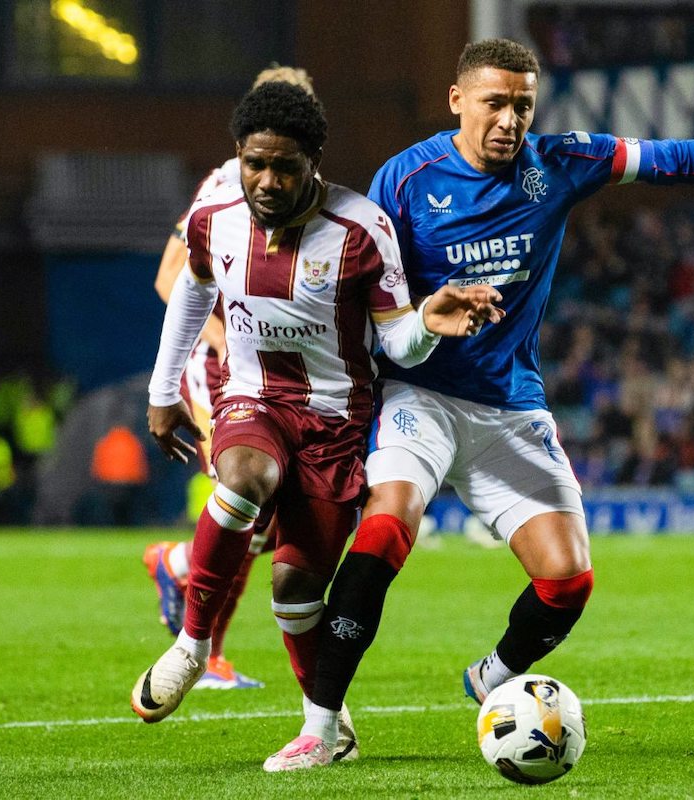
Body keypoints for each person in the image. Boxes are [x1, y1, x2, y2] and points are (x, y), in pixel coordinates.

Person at [263, 37, 694, 772]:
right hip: (420, 395)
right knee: (385, 534)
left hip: (510, 408)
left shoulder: (560, 162)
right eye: (495, 102)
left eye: (523, 105)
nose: (510, 119)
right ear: (457, 100)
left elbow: (678, 157)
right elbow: (366, 295)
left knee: (567, 583)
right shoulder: (405, 179)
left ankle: (492, 678)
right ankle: (322, 725)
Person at [128, 82, 503, 764]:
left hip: (335, 423)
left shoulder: (361, 230)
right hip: (252, 399)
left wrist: (428, 322)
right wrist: (162, 391)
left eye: (285, 168)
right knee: (244, 475)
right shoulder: (216, 219)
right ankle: (192, 645)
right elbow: (191, 291)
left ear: (316, 161)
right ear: (237, 157)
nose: (266, 181)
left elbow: (394, 342)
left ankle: (326, 729)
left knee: (296, 587)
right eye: (253, 164)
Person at [142, 64, 316, 692]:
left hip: (271, 371)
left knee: (263, 520)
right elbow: (171, 279)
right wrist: (223, 336)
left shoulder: (308, 191)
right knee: (245, 498)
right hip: (218, 365)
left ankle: (180, 562)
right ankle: (206, 653)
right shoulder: (224, 184)